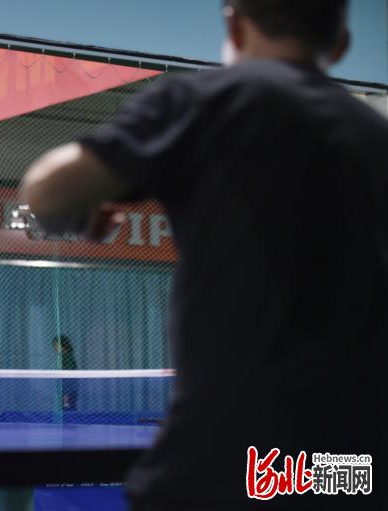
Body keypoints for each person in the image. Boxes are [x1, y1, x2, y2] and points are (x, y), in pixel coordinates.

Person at [20, 1, 387, 509]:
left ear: (234, 25)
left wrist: (80, 212)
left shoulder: (206, 101)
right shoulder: (374, 134)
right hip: (355, 461)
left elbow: (45, 191)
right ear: (341, 44)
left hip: (230, 453)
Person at [53, 334, 78, 410]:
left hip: (68, 391)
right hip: (66, 390)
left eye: (56, 345)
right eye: (54, 345)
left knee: (68, 411)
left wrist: (65, 397)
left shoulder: (67, 357)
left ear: (63, 345)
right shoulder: (62, 357)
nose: (54, 347)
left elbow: (68, 377)